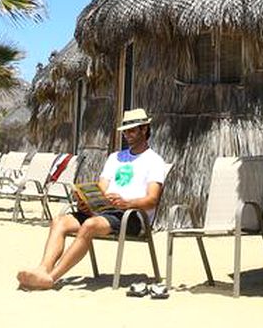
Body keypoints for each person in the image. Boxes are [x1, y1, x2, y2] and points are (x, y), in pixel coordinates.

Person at [17, 108, 169, 290]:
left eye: (132, 130)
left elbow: (152, 200)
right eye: (125, 131)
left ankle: (51, 278)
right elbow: (101, 189)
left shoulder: (154, 161)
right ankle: (43, 269)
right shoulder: (115, 158)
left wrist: (127, 203)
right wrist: (86, 200)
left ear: (144, 129)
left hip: (132, 216)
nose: (127, 135)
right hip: (105, 212)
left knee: (90, 225)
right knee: (60, 221)